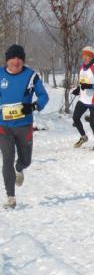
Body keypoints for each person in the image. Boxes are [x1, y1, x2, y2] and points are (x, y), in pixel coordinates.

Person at [0, 44, 49, 209]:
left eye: (20, 58)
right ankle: (10, 196)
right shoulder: (0, 75)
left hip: (24, 125)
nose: (16, 61)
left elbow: (44, 96)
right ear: (7, 60)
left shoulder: (31, 76)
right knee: (7, 159)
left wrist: (33, 106)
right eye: (13, 58)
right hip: (3, 126)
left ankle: (19, 168)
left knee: (26, 159)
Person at [71, 46, 94, 150]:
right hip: (83, 99)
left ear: (91, 57)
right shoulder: (82, 67)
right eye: (83, 56)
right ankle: (83, 137)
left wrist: (91, 86)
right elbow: (83, 82)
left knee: (92, 123)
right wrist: (78, 89)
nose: (84, 58)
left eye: (87, 56)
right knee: (75, 118)